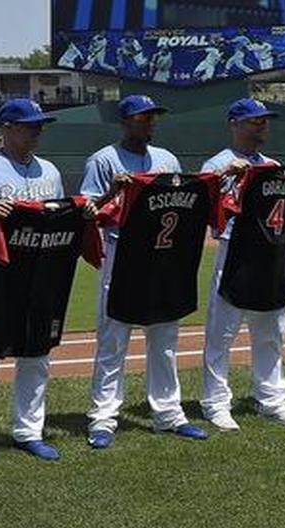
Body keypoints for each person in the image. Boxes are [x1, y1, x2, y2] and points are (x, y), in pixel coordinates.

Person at [80, 95, 207, 449]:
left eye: (153, 117)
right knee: (113, 339)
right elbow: (87, 212)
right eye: (142, 117)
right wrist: (111, 191)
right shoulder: (103, 160)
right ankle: (103, 418)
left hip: (162, 254)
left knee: (165, 338)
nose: (149, 122)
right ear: (124, 121)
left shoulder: (167, 160)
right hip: (120, 252)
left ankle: (168, 414)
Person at [0, 99, 67, 466]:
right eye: (29, 125)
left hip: (39, 263)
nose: (37, 130)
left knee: (36, 351)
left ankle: (29, 431)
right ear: (6, 127)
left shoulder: (49, 171)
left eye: (40, 125)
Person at [201, 98, 285, 431]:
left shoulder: (272, 165)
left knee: (271, 332)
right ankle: (216, 404)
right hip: (234, 251)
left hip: (269, 251)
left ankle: (272, 400)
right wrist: (222, 175)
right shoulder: (216, 163)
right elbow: (203, 205)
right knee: (222, 335)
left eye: (264, 120)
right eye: (253, 121)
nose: (262, 125)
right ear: (234, 124)